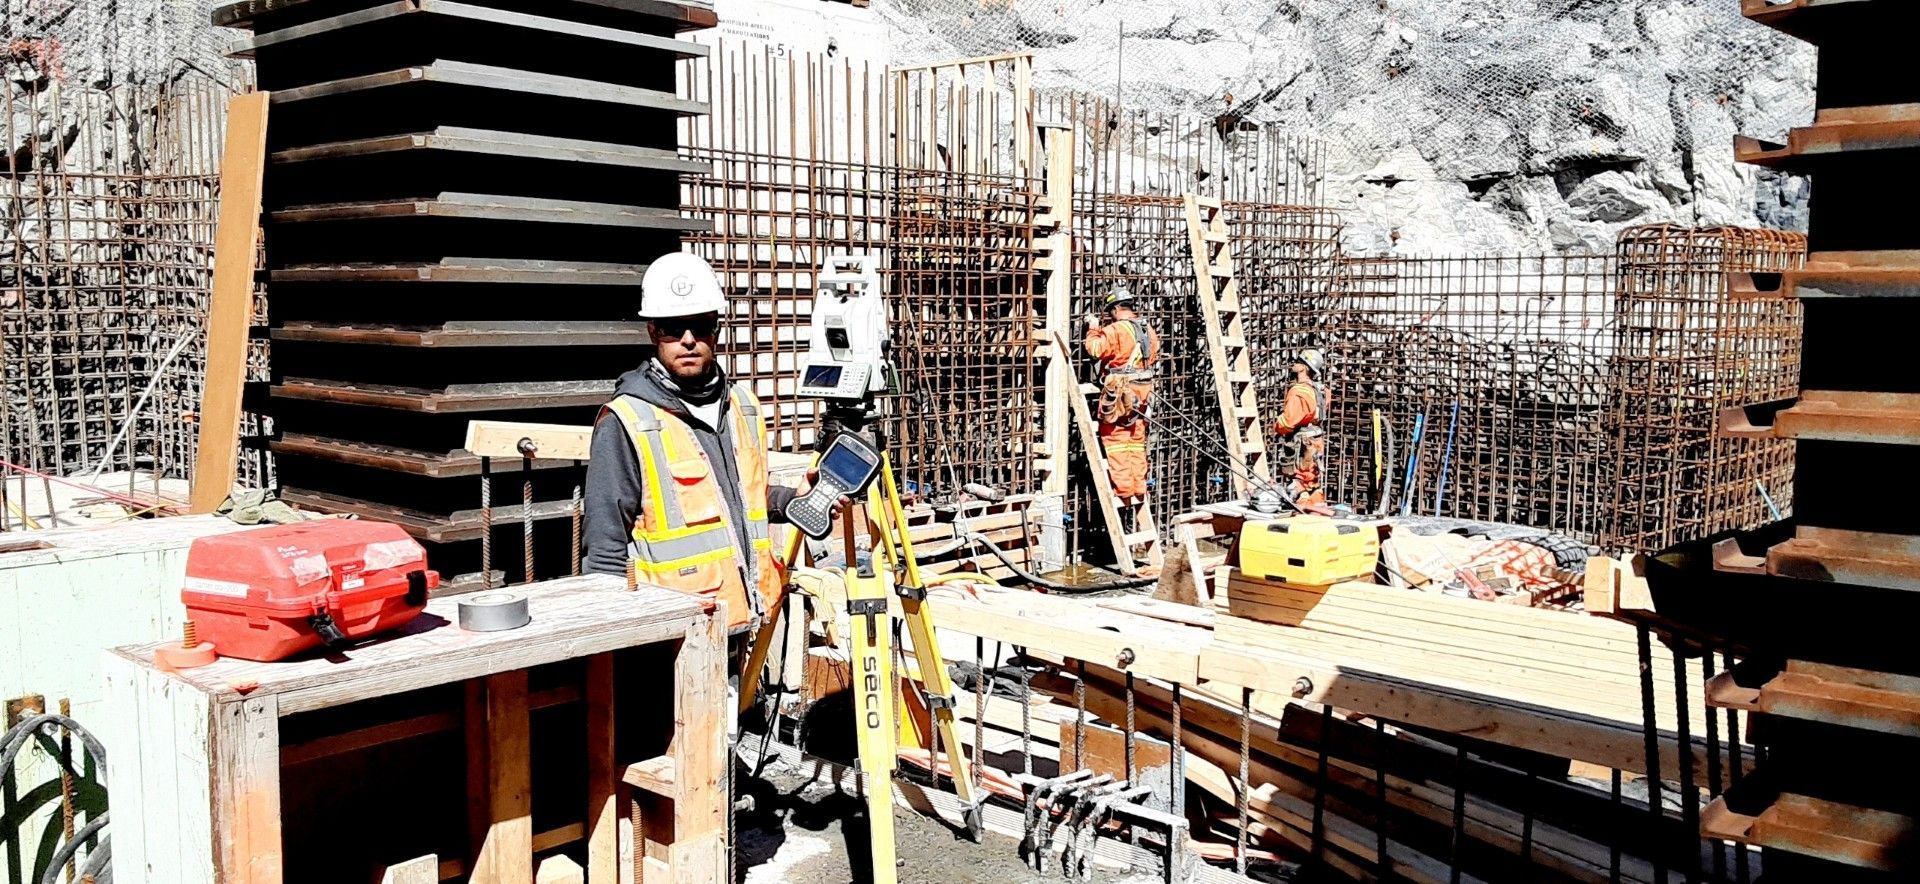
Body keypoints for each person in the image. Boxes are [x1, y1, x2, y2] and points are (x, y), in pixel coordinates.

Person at [583, 252, 831, 632]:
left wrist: (792, 499)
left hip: (744, 617)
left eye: (700, 326)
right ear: (653, 332)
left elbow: (742, 501)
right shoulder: (627, 421)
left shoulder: (741, 406)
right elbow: (605, 550)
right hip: (673, 632)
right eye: (671, 328)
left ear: (716, 329)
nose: (687, 340)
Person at [1083, 286, 1159, 502]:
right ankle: (1139, 486)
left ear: (1116, 308)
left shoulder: (1116, 330)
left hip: (1121, 392)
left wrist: (1093, 329)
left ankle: (1124, 489)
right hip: (1143, 391)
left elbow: (1096, 350)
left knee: (1115, 438)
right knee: (1136, 437)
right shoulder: (1148, 330)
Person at [1272, 348, 1329, 507]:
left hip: (1302, 444)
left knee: (1300, 484)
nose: (1294, 363)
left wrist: (1277, 424)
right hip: (1315, 440)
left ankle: (1302, 514)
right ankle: (1317, 510)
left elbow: (1288, 422)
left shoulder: (1299, 392)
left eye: (1298, 361)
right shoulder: (1319, 390)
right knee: (1313, 483)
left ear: (1304, 367)